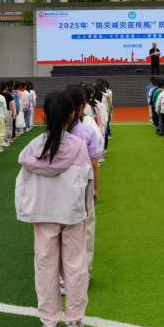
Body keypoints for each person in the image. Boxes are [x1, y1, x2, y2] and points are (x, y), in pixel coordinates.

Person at [15, 92, 93, 327]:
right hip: (72, 214)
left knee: (45, 267)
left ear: (45, 116)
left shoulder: (32, 147)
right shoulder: (79, 146)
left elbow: (23, 183)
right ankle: (74, 320)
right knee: (75, 266)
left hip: (44, 214)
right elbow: (88, 182)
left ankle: (49, 322)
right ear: (73, 114)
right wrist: (86, 209)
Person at [66, 86, 102, 277]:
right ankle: (84, 271)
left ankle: (63, 274)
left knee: (61, 230)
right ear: (81, 107)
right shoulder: (86, 131)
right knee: (85, 229)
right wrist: (95, 189)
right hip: (83, 185)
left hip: (60, 185)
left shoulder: (53, 132)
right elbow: (94, 164)